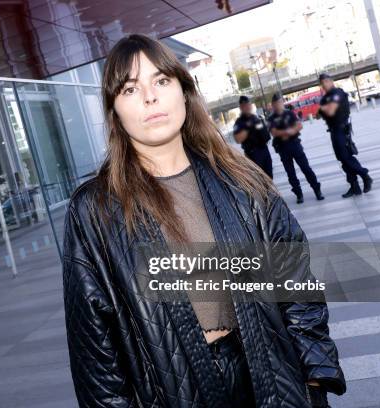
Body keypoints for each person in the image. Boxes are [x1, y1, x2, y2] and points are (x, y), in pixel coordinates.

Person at [62, 34, 345, 408]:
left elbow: (296, 284)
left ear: (183, 90)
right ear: (114, 110)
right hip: (173, 392)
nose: (150, 97)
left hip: (273, 381)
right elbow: (95, 354)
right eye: (130, 89)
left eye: (161, 81)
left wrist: (314, 378)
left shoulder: (241, 180)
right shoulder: (94, 211)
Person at [318, 73, 373, 198]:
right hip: (333, 130)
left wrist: (323, 108)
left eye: (326, 81)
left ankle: (365, 175)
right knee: (342, 159)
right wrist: (324, 108)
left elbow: (330, 110)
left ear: (331, 81)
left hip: (341, 130)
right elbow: (318, 114)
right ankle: (355, 187)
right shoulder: (326, 97)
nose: (324, 85)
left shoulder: (337, 93)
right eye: (322, 83)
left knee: (346, 157)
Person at [268, 93, 324, 204]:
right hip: (283, 148)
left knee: (306, 168)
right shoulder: (272, 118)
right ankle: (299, 194)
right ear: (273, 105)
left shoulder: (289, 113)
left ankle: (317, 190)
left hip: (295, 145)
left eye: (280, 102)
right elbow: (274, 132)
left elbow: (299, 125)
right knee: (291, 174)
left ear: (282, 102)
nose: (278, 105)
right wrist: (288, 131)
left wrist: (290, 131)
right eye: (276, 104)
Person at [232, 95, 273, 178]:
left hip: (264, 150)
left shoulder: (256, 118)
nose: (247, 107)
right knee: (259, 179)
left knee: (269, 176)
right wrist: (248, 126)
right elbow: (238, 139)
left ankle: (269, 190)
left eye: (248, 104)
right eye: (244, 106)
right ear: (241, 107)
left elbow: (264, 133)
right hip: (252, 153)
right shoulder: (239, 122)